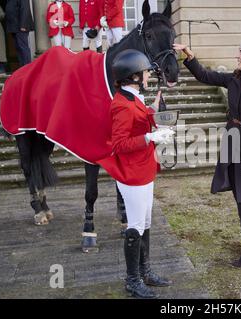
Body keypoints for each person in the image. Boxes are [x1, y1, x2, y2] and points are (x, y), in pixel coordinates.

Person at [174, 39, 241, 267]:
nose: (237, 56)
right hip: (234, 142)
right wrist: (189, 56)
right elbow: (205, 75)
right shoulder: (233, 79)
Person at [97, 49, 174, 298]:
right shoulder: (122, 105)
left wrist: (154, 116)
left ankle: (145, 271)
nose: (148, 77)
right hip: (132, 174)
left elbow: (140, 118)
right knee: (136, 225)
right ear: (134, 76)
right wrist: (150, 136)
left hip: (144, 168)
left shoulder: (133, 98)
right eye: (145, 73)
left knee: (147, 223)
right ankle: (133, 280)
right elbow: (118, 145)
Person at [5, 0, 34, 66]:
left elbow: (25, 9)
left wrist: (23, 25)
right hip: (14, 27)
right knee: (18, 47)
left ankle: (27, 67)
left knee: (23, 47)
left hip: (20, 26)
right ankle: (22, 67)